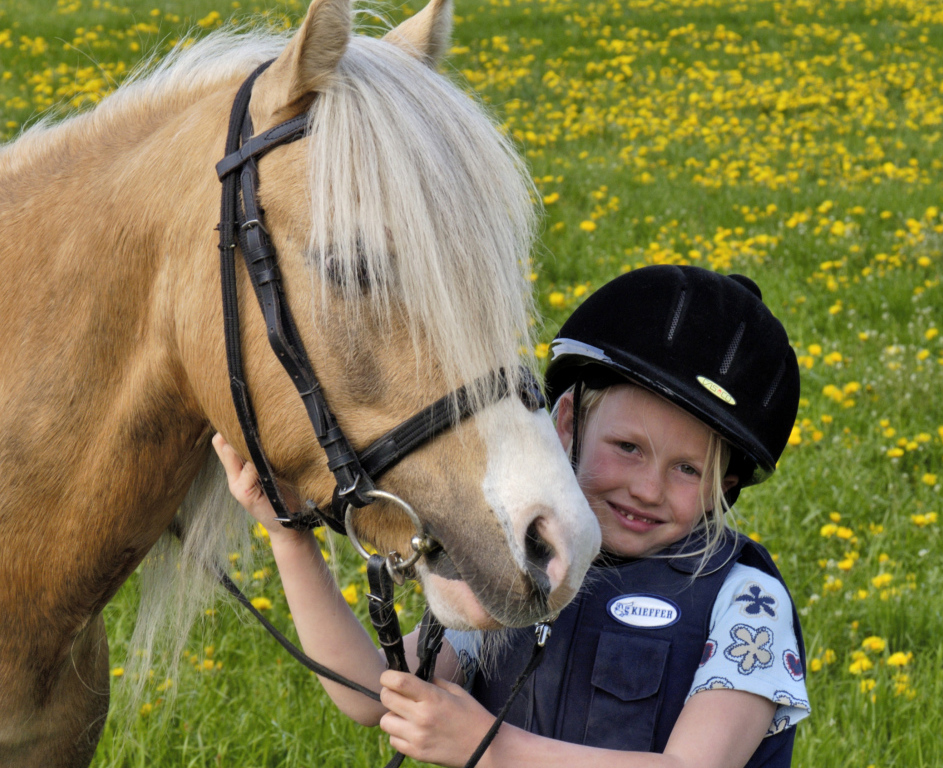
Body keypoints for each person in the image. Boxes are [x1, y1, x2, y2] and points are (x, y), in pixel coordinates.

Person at [212, 264, 808, 768]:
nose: (648, 488)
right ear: (568, 423)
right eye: (627, 448)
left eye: (687, 470)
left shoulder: (744, 601)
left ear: (723, 488)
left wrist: (489, 747)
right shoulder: (522, 559)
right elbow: (373, 693)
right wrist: (288, 536)